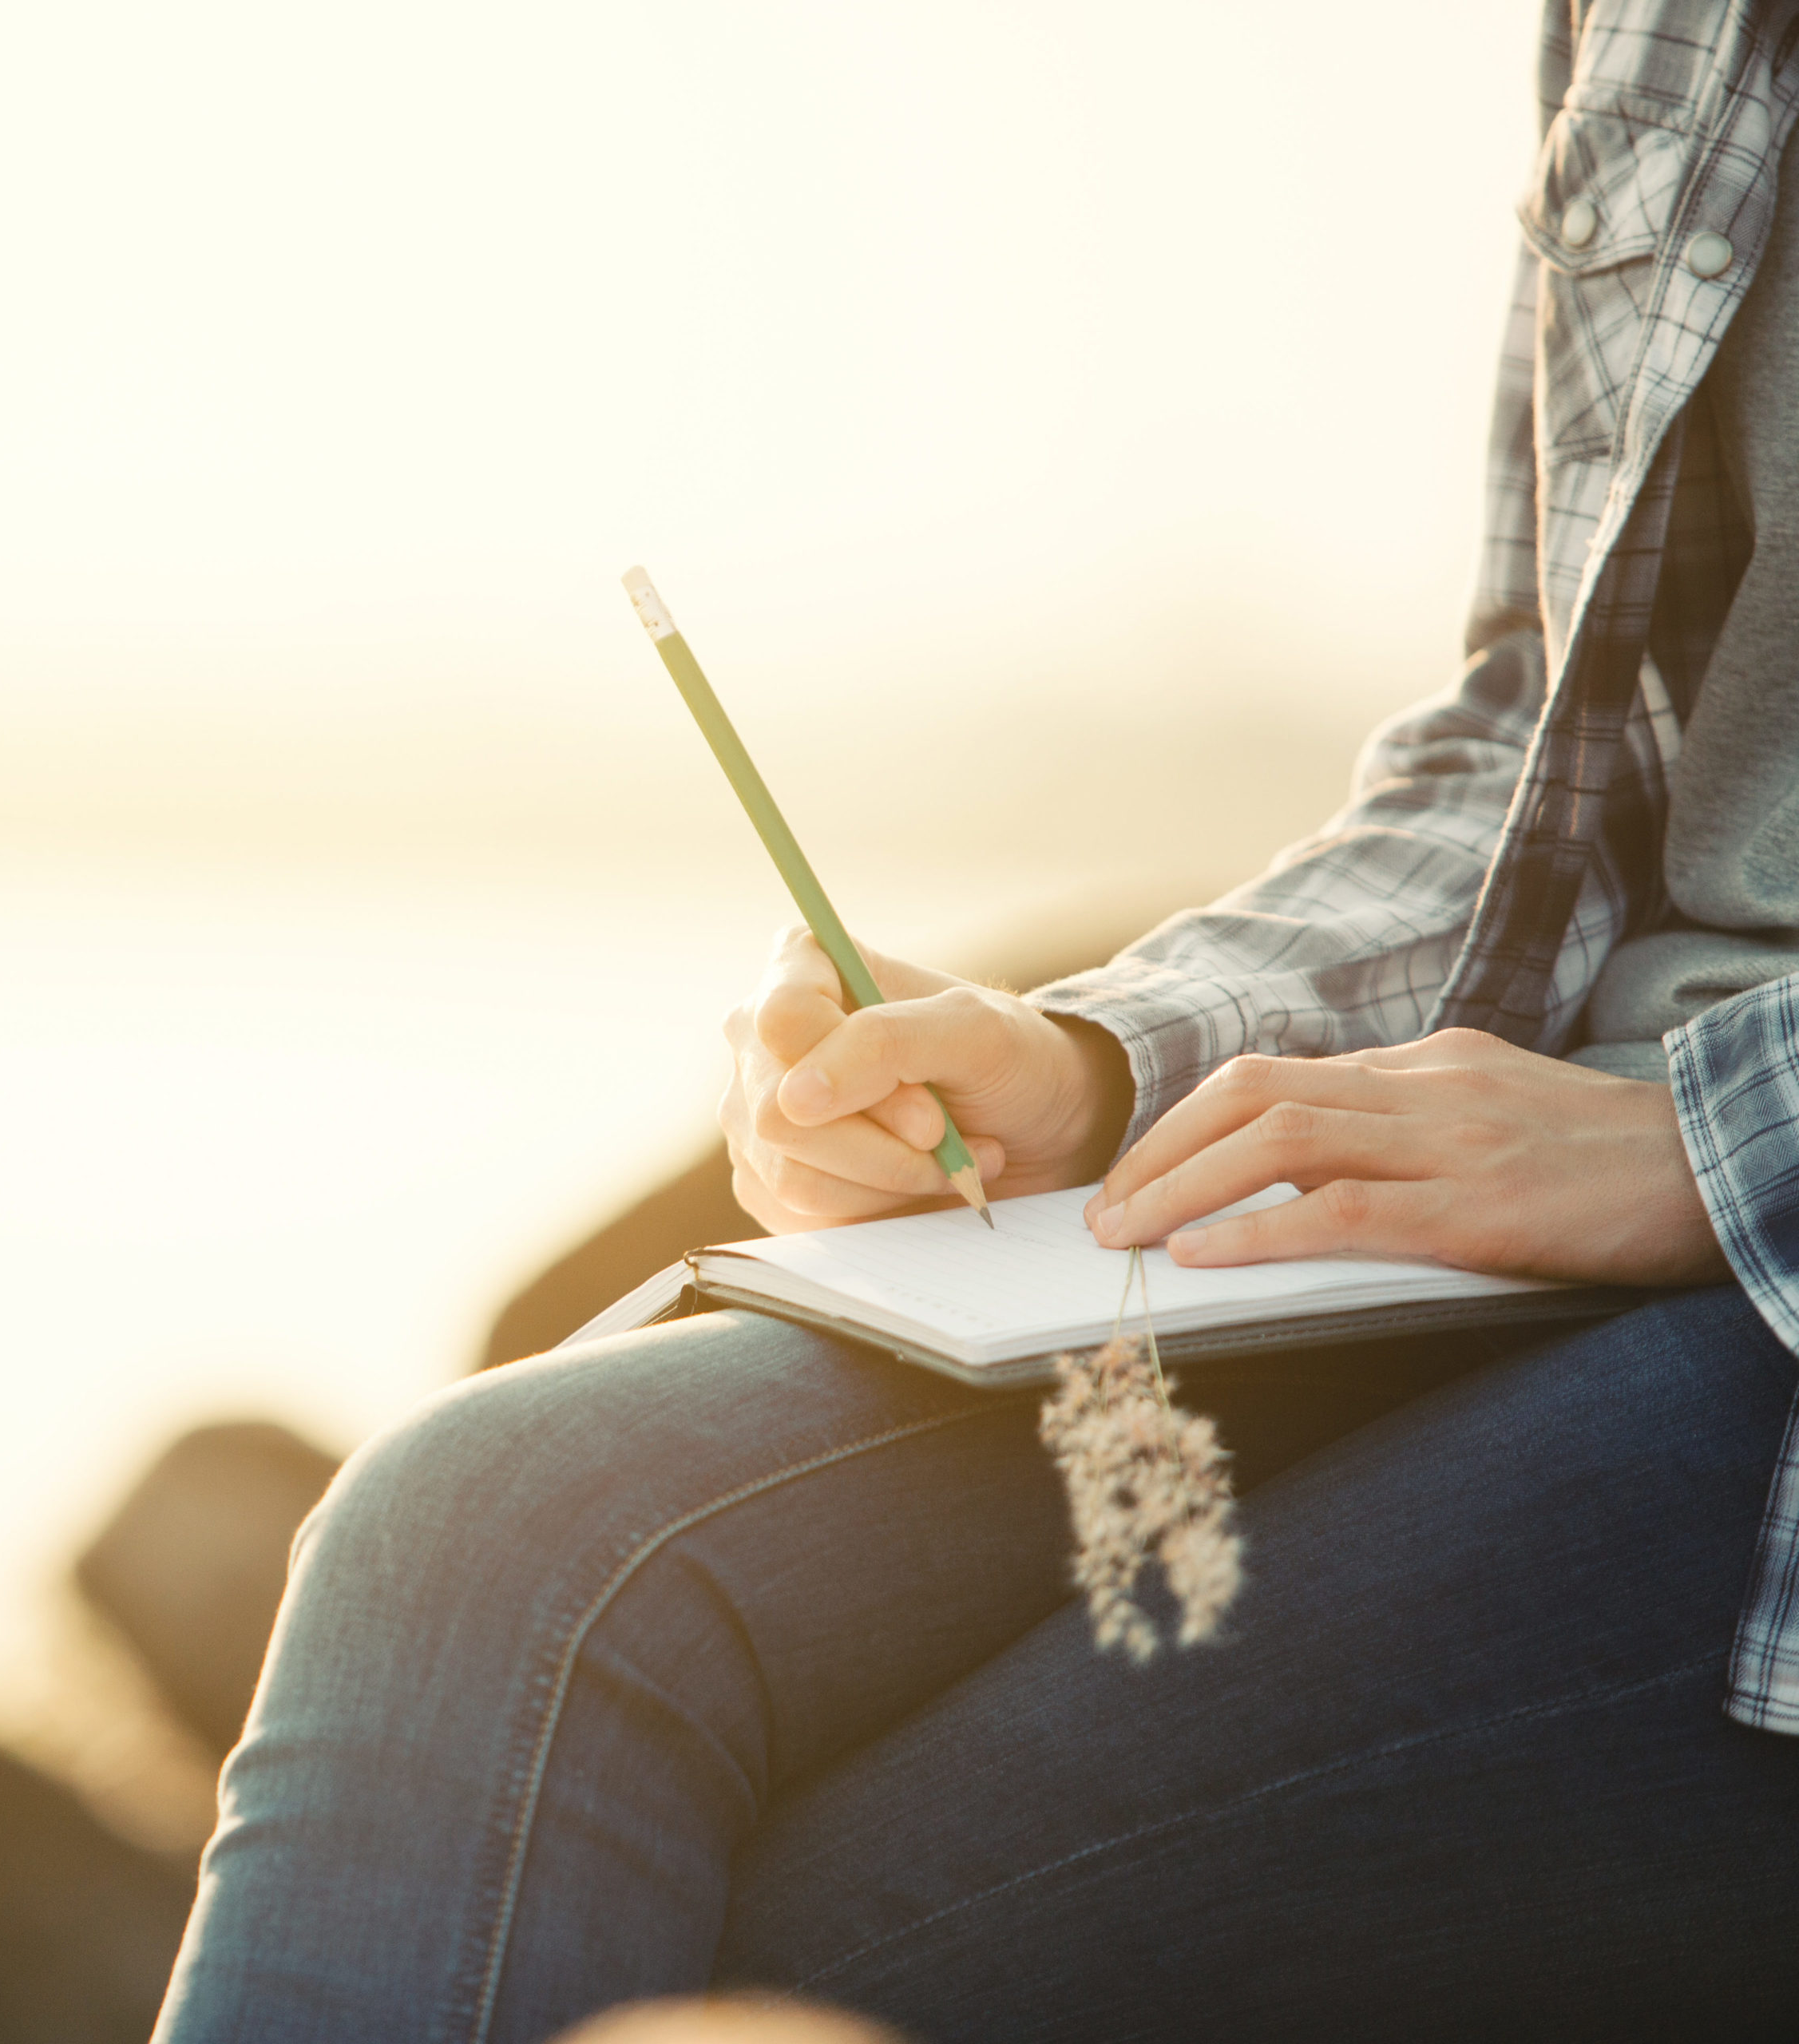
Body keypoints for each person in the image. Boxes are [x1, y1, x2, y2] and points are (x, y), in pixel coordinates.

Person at [154, 6, 1799, 2038]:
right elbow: (1535, 751)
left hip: (1753, 1300)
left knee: (754, 1940)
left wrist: (1707, 1137)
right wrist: (1100, 1065)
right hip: (1538, 1193)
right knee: (473, 1532)